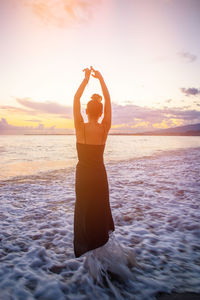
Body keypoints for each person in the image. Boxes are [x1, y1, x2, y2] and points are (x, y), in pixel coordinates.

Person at [73, 66, 115, 258]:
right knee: (99, 211)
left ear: (86, 110)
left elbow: (75, 99)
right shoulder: (104, 128)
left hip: (83, 175)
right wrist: (101, 79)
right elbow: (108, 100)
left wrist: (86, 79)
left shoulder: (80, 127)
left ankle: (87, 253)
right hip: (99, 175)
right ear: (100, 112)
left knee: (84, 212)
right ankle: (100, 252)